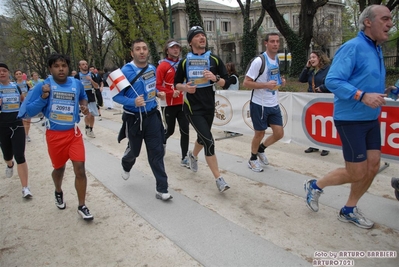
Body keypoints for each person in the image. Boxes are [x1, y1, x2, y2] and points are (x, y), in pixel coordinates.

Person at [304, 5, 392, 229]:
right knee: (356, 171)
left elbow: (365, 79)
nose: (390, 23)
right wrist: (362, 96)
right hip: (351, 119)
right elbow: (332, 80)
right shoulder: (353, 47)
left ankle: (349, 209)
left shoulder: (376, 48)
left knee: (372, 167)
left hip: (370, 118)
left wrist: (388, 89)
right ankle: (315, 185)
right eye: (385, 19)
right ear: (368, 22)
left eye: (391, 19)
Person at [18, 53, 94, 220]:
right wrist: (43, 97)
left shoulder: (76, 83)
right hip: (54, 135)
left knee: (80, 169)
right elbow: (27, 112)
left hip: (73, 134)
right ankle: (58, 191)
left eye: (64, 66)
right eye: (56, 66)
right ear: (50, 69)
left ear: (68, 67)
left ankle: (82, 205)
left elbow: (83, 98)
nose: (61, 69)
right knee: (59, 169)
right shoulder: (43, 86)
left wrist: (84, 106)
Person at [112, 38, 172, 201]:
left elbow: (151, 88)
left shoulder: (152, 68)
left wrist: (157, 94)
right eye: (138, 49)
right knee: (135, 151)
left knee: (156, 151)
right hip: (134, 119)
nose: (142, 51)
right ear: (132, 53)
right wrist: (132, 101)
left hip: (152, 115)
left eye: (144, 48)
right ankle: (126, 162)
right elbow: (116, 96)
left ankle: (162, 188)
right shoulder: (125, 71)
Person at [174, 26, 230, 193]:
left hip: (209, 106)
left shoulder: (214, 59)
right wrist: (185, 88)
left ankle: (193, 155)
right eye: (197, 36)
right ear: (191, 41)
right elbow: (176, 84)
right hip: (192, 107)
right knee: (209, 141)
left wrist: (216, 78)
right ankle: (219, 179)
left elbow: (227, 82)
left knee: (202, 136)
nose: (201, 38)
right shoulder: (184, 62)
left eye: (203, 35)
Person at [242, 32, 286, 173]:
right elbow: (246, 83)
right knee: (259, 133)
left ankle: (261, 149)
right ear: (265, 43)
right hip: (259, 104)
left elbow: (273, 79)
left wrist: (281, 82)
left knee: (279, 133)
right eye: (272, 41)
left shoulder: (277, 59)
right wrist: (266, 85)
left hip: (273, 102)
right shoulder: (259, 61)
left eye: (277, 41)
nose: (275, 44)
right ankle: (253, 159)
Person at [0, 63, 32, 198]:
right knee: (7, 154)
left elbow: (23, 102)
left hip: (17, 123)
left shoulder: (16, 87)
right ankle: (9, 164)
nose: (1, 73)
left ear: (9, 73)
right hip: (2, 125)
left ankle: (25, 188)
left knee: (20, 155)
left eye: (4, 70)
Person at [156, 39, 190, 167]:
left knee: (185, 130)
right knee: (169, 130)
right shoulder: (162, 66)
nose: (176, 50)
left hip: (182, 102)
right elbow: (157, 85)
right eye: (172, 47)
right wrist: (171, 92)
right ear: (167, 50)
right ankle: (162, 144)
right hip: (168, 104)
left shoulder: (183, 64)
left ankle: (184, 157)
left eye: (177, 47)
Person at [299, 50, 331, 156]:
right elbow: (301, 79)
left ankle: (325, 146)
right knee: (314, 122)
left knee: (324, 122)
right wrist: (307, 67)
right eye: (310, 57)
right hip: (312, 100)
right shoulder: (313, 71)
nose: (311, 59)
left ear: (320, 58)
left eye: (314, 57)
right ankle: (314, 144)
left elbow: (333, 82)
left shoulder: (328, 69)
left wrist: (322, 88)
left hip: (324, 99)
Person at [75, 60, 99, 138]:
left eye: (86, 64)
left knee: (92, 115)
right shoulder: (77, 76)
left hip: (91, 96)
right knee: (88, 114)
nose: (85, 65)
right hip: (83, 98)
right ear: (79, 66)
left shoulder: (91, 74)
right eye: (83, 64)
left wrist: (91, 80)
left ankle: (90, 129)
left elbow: (96, 86)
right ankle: (87, 127)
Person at [14, 69, 33, 142]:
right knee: (22, 121)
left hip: (27, 103)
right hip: (19, 104)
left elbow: (32, 92)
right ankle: (22, 134)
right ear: (15, 76)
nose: (19, 75)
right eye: (17, 74)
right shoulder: (14, 85)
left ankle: (27, 134)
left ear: (22, 75)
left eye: (20, 73)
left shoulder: (27, 83)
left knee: (28, 120)